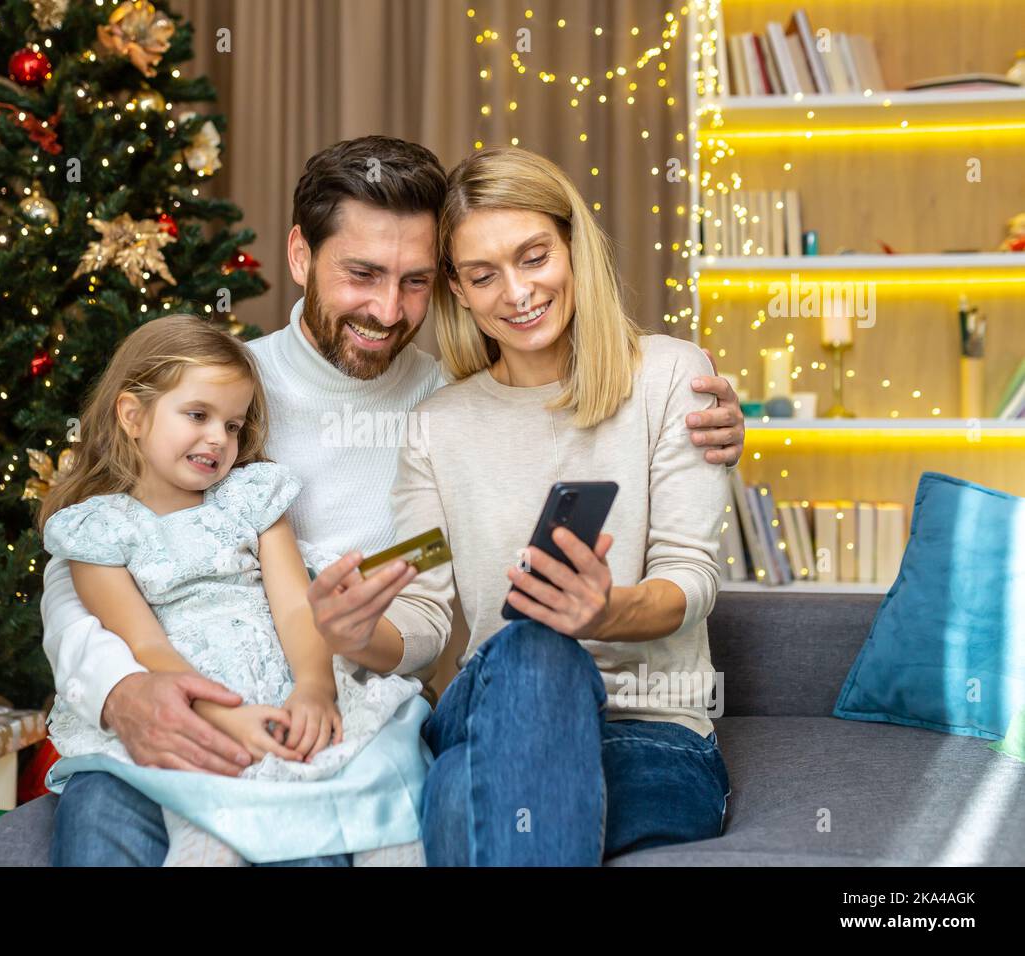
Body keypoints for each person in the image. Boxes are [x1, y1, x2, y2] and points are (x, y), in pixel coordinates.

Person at [43, 135, 746, 866]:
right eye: (363, 274)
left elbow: (678, 568)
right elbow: (92, 549)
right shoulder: (224, 394)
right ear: (299, 256)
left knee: (537, 655)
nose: (387, 308)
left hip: (411, 720)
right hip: (256, 697)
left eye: (414, 281)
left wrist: (605, 606)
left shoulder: (442, 396)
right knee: (103, 812)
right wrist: (119, 688)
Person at [313, 145, 732, 865]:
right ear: (459, 289)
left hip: (651, 733)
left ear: (574, 247)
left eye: (534, 257)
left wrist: (606, 613)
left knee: (459, 801)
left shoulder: (672, 377)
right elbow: (422, 613)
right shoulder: (437, 425)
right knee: (538, 648)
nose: (516, 292)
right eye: (483, 275)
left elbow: (690, 578)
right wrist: (356, 635)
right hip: (493, 709)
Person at [38, 314, 427, 866]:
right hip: (188, 704)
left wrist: (315, 686)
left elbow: (295, 606)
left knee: (384, 782)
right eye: (198, 415)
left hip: (282, 685)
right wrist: (221, 719)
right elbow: (148, 648)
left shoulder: (251, 500)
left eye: (234, 425)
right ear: (133, 414)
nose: (219, 438)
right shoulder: (98, 532)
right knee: (211, 830)